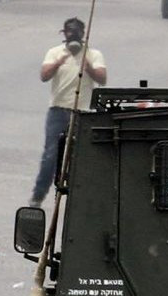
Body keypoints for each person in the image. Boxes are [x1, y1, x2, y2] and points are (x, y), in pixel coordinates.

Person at [29, 17, 106, 207]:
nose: (74, 35)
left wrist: (87, 66)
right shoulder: (54, 53)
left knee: (82, 157)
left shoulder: (93, 54)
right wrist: (59, 62)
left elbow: (102, 79)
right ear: (63, 34)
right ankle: (38, 196)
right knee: (51, 155)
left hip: (82, 112)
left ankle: (81, 198)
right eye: (69, 31)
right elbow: (44, 76)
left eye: (77, 31)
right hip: (58, 111)